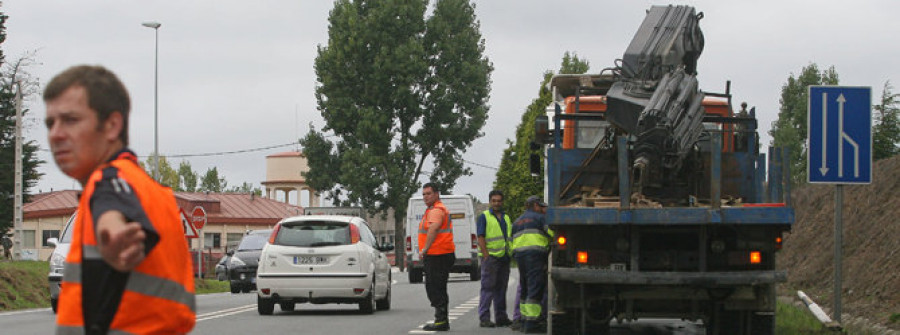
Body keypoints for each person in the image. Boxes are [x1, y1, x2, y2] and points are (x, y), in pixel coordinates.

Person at [44, 65, 195, 334]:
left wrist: (114, 236)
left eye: (70, 120)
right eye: (50, 123)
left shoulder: (108, 182)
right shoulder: (156, 193)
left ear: (112, 125)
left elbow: (112, 214)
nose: (55, 133)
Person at [511, 195, 553, 334]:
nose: (542, 209)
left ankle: (524, 320)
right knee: (535, 288)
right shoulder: (540, 218)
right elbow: (553, 233)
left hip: (520, 257)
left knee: (525, 288)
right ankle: (532, 323)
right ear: (535, 205)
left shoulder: (517, 222)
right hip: (535, 256)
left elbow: (511, 242)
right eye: (541, 206)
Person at [418, 182, 455, 331]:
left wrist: (425, 249)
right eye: (424, 194)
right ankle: (441, 319)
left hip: (438, 254)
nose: (425, 197)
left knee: (435, 287)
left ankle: (441, 320)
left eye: (428, 193)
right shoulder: (432, 210)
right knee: (436, 286)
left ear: (437, 194)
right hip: (438, 254)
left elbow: (433, 228)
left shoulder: (437, 210)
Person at [476, 190, 513, 328]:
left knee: (501, 289)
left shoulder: (506, 217)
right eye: (494, 201)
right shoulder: (484, 217)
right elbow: (481, 236)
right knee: (487, 288)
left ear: (502, 202)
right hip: (490, 258)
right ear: (490, 202)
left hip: (504, 257)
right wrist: (486, 255)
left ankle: (501, 317)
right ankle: (484, 318)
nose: (497, 203)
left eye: (499, 201)